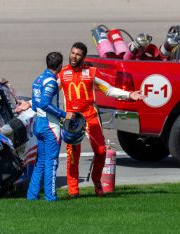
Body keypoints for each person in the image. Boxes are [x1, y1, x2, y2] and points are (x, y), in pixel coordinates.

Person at [16, 42, 145, 198]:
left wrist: (129, 95)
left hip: (90, 117)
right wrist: (29, 103)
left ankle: (97, 181)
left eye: (78, 54)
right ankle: (73, 191)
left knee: (101, 151)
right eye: (72, 53)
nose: (74, 57)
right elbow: (45, 96)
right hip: (72, 121)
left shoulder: (91, 72)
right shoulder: (62, 74)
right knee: (72, 157)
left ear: (84, 57)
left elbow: (108, 89)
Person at [26, 52, 74, 201]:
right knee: (52, 162)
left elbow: (35, 104)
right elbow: (44, 103)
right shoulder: (51, 81)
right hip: (50, 127)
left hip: (39, 125)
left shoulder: (38, 79)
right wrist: (63, 114)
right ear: (60, 66)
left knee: (41, 161)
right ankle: (51, 197)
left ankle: (32, 196)